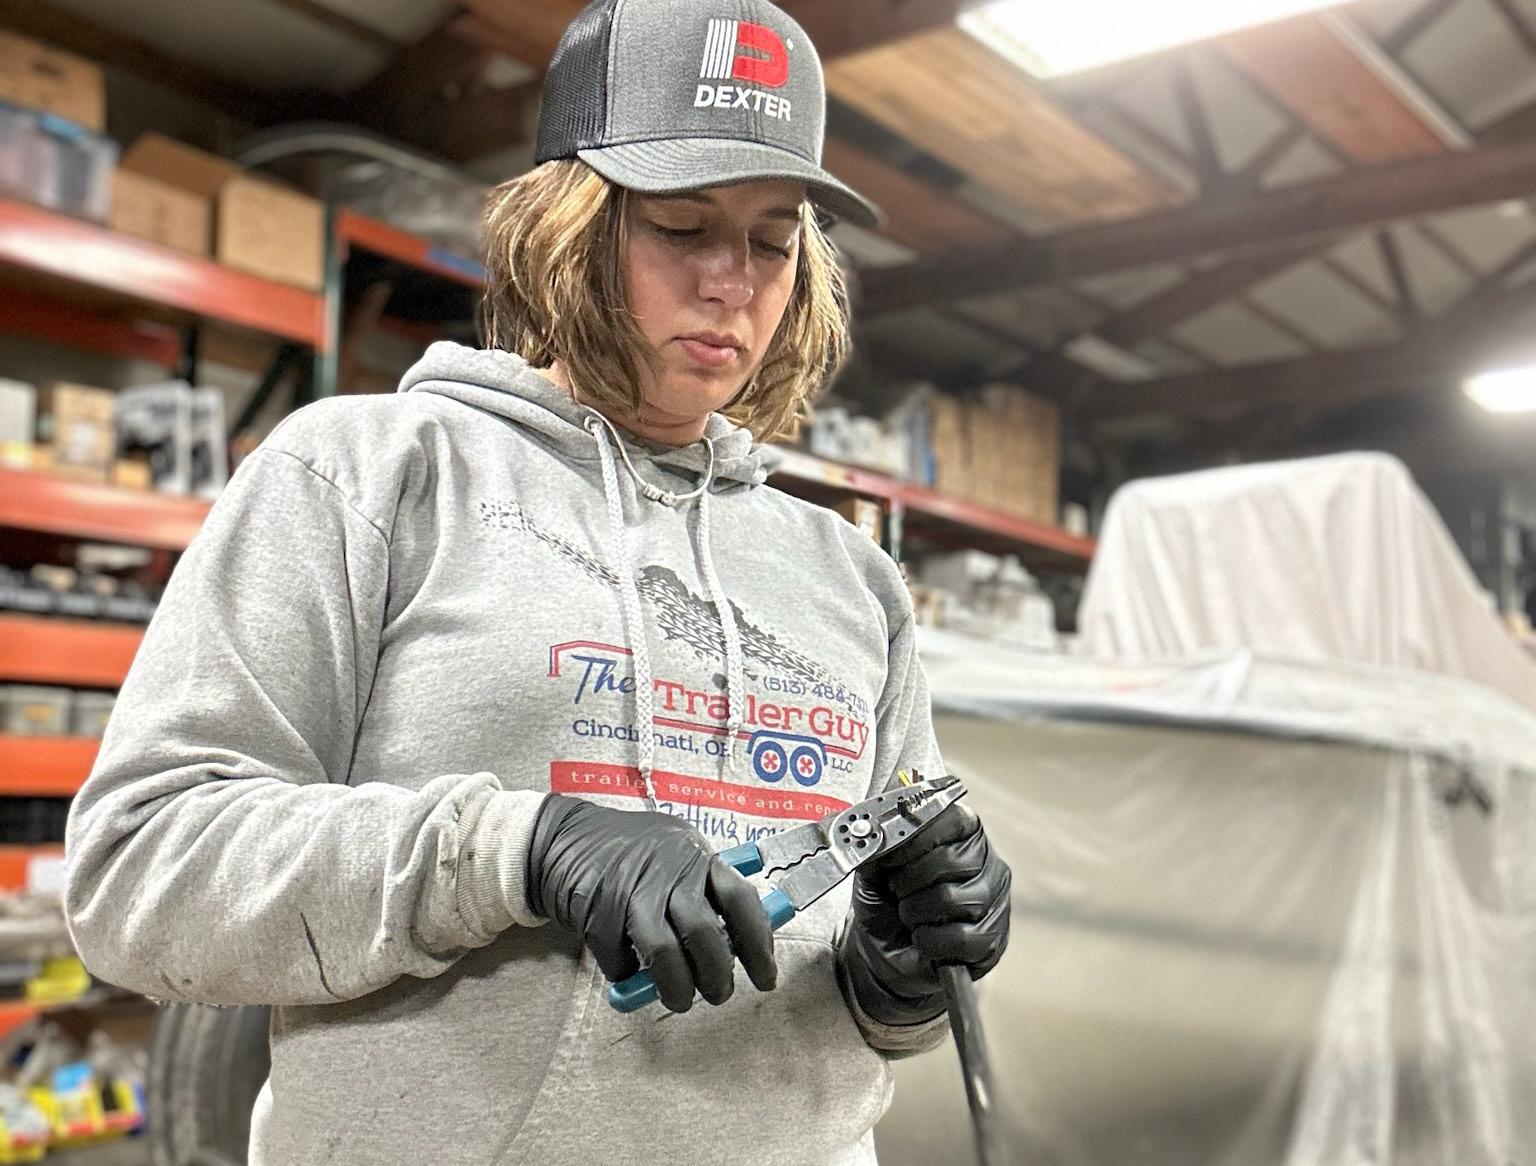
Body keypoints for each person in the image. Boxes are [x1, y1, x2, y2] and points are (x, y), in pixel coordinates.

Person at [63, 1, 1012, 1162]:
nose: (732, 280)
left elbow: (859, 1016)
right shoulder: (372, 474)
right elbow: (137, 870)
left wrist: (899, 967)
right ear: (569, 224)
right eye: (682, 223)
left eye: (772, 240)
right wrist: (518, 846)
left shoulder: (852, 580)